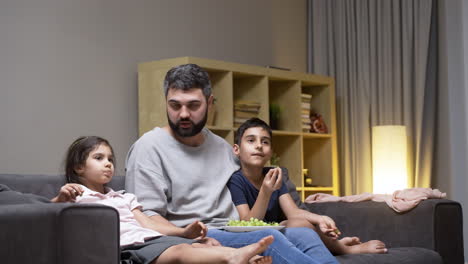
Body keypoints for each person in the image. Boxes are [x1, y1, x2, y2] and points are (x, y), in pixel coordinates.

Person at [125, 63, 339, 264]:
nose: (183, 114)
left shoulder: (222, 147)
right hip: (197, 238)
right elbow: (147, 219)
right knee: (269, 239)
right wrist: (188, 237)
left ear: (209, 103)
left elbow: (253, 187)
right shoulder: (148, 148)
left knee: (302, 233)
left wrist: (317, 225)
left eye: (193, 105)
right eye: (175, 105)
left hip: (239, 228)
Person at [53, 136, 274, 264]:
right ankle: (234, 257)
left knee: (201, 244)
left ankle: (234, 257)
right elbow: (45, 218)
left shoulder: (123, 197)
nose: (108, 163)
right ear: (78, 167)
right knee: (180, 252)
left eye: (110, 159)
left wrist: (183, 233)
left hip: (150, 239)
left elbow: (148, 224)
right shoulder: (75, 196)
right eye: (99, 158)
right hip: (127, 247)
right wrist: (62, 199)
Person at [227, 117, 388, 255]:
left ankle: (334, 245)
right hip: (257, 236)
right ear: (236, 149)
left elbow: (293, 212)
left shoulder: (275, 174)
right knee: (299, 225)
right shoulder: (236, 180)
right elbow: (247, 224)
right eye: (251, 140)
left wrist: (320, 219)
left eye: (265, 142)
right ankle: (344, 249)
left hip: (278, 228)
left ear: (270, 152)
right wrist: (265, 191)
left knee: (300, 222)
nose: (259, 145)